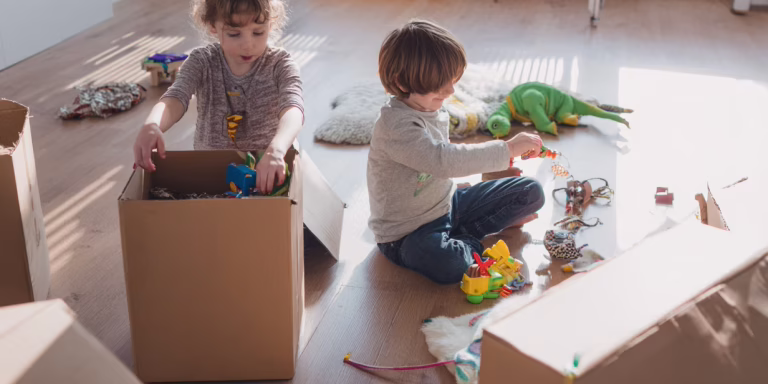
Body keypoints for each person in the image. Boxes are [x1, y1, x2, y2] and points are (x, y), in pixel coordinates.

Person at [367, 19, 546, 284]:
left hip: (447, 205)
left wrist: (450, 186)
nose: (450, 91)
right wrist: (506, 149)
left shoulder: (429, 106)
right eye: (440, 86)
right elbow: (442, 160)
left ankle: (466, 234)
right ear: (401, 83)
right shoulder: (397, 126)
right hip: (407, 234)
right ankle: (472, 240)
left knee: (531, 191)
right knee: (449, 263)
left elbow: (442, 162)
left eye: (451, 81)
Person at [133, 0, 303, 194]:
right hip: (213, 172)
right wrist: (153, 124)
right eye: (234, 33)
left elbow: (293, 108)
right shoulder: (201, 61)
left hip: (270, 171)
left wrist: (278, 149)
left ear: (271, 24)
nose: (248, 45)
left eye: (258, 32)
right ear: (212, 25)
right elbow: (175, 97)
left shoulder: (280, 63)